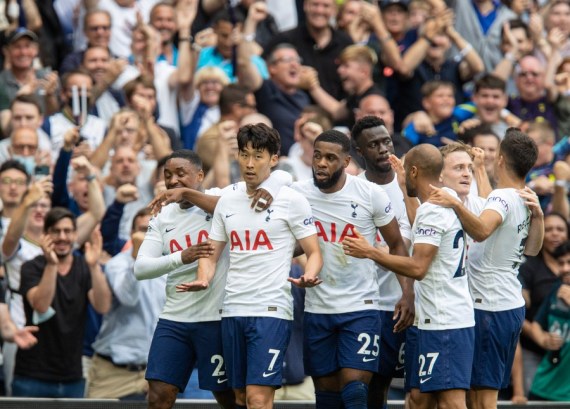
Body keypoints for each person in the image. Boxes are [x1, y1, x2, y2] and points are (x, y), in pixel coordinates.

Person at [179, 124, 323, 409]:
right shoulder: (227, 201)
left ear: (273, 158)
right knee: (240, 398)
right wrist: (204, 277)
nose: (249, 163)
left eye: (258, 156)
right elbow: (211, 252)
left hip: (270, 311)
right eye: (244, 155)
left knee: (258, 398)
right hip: (232, 309)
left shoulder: (292, 200)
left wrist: (310, 273)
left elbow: (314, 251)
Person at [342, 143, 474, 409]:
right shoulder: (445, 197)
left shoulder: (432, 211)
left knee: (451, 403)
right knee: (416, 399)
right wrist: (404, 188)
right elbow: (420, 223)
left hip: (445, 322)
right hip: (430, 321)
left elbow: (418, 268)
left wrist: (371, 252)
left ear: (413, 170)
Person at [428, 128, 543, 409]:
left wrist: (455, 203)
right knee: (476, 394)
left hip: (489, 307)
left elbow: (481, 230)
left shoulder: (502, 199)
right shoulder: (523, 197)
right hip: (507, 304)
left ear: (501, 159)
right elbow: (532, 249)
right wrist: (479, 169)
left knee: (481, 400)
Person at [332, 119, 414, 409]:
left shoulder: (410, 187)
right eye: (374, 144)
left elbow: (406, 246)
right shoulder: (350, 190)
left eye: (386, 141)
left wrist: (408, 293)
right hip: (366, 304)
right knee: (363, 388)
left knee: (406, 390)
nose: (383, 149)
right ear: (358, 152)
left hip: (403, 302)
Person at [12, 209, 112, 398]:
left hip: (72, 376)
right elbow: (41, 305)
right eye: (56, 231)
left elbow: (103, 306)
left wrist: (94, 267)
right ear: (46, 235)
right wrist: (51, 265)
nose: (62, 237)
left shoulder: (84, 266)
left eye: (67, 231)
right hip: (32, 376)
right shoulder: (31, 267)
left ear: (75, 235)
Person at [88, 208, 163, 400]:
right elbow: (128, 297)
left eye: (152, 229)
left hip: (153, 372)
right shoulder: (117, 264)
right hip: (113, 374)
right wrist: (137, 258)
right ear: (131, 233)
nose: (147, 235)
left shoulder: (169, 265)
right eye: (142, 229)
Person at [527, 241, 570, 401]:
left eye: (569, 263)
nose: (565, 268)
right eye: (561, 263)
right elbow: (537, 324)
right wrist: (544, 340)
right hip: (544, 385)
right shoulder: (557, 288)